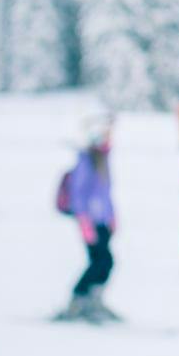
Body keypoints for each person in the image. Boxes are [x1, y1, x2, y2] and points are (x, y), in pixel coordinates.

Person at [58, 117, 120, 322]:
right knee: (101, 261)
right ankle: (78, 300)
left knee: (105, 262)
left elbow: (106, 194)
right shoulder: (86, 161)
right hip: (90, 223)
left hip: (102, 221)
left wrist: (112, 217)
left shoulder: (103, 159)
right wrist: (84, 222)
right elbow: (79, 196)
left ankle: (93, 300)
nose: (108, 140)